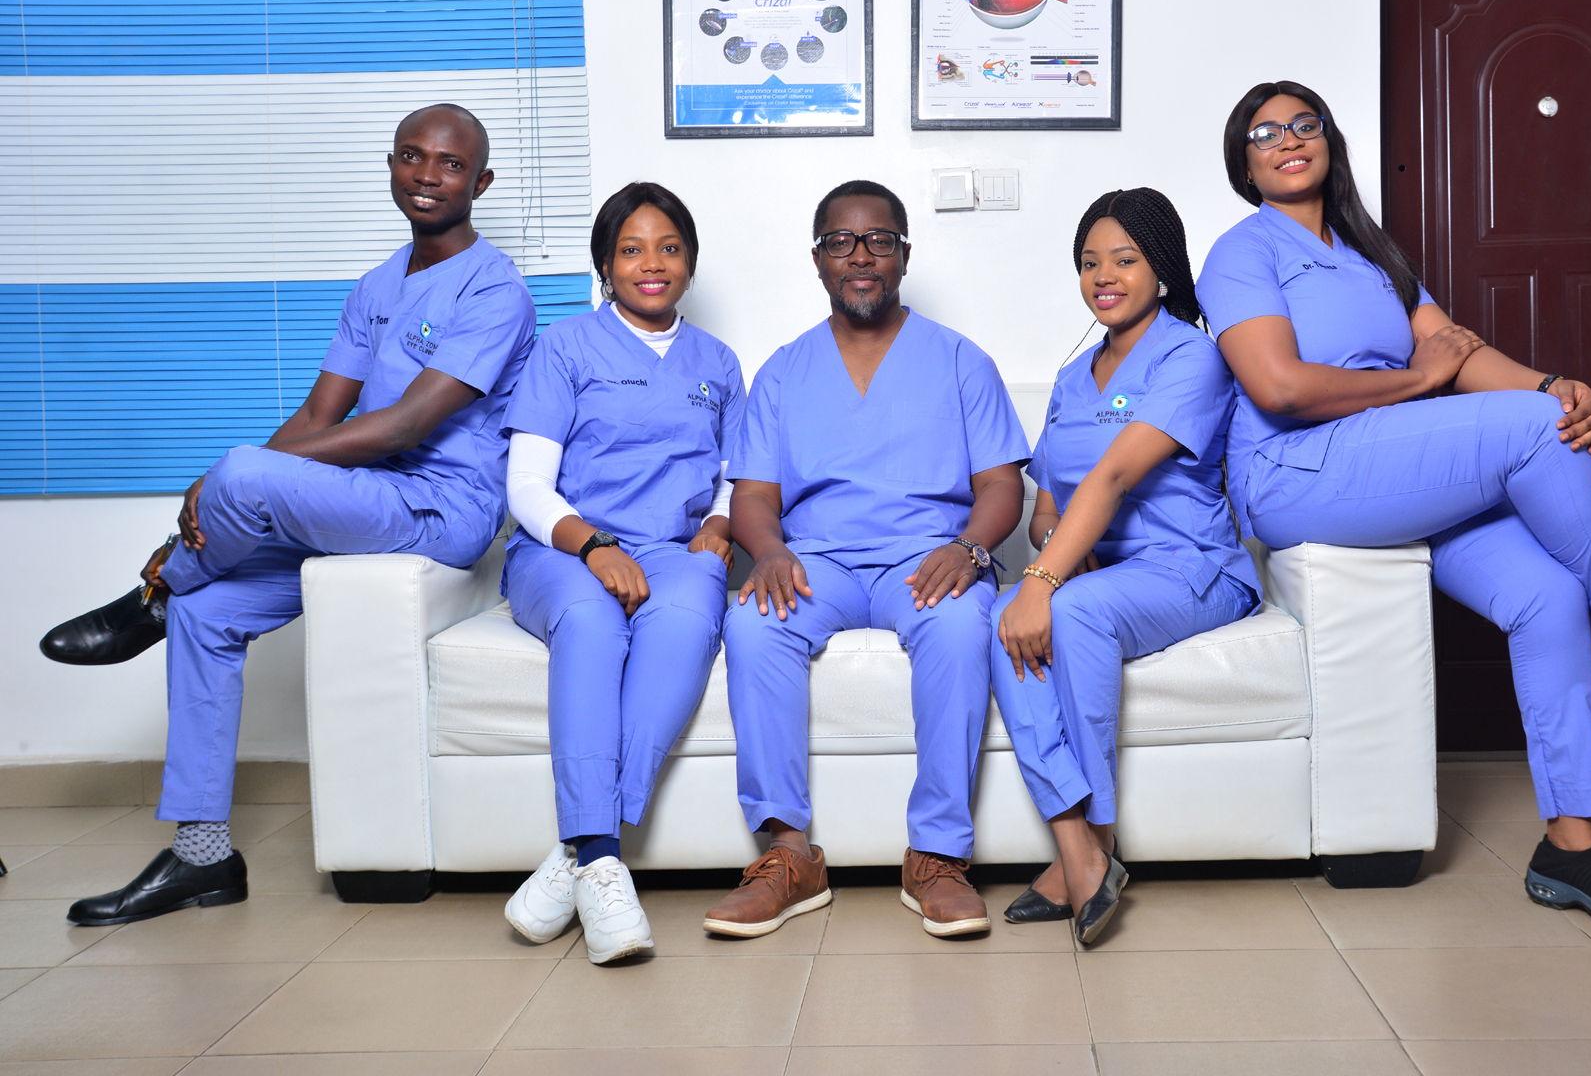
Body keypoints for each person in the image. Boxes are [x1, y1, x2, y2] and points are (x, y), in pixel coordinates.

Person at [1196, 80, 1591, 932]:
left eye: (1303, 124)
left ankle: (1572, 848)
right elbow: (1279, 386)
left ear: (1328, 140)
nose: (1287, 139)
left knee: (1548, 594)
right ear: (1244, 161)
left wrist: (1554, 386)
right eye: (1264, 132)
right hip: (1299, 473)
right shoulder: (1244, 251)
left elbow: (1456, 354)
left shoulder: (1371, 254)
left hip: (1389, 468)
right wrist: (1423, 381)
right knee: (1535, 435)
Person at [41, 104, 538, 926]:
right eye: (412, 157)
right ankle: (202, 857)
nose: (427, 175)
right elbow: (317, 416)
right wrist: (232, 483)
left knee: (238, 478)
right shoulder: (376, 286)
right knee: (209, 610)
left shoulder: (497, 289)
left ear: (479, 183)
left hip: (438, 510)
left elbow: (406, 426)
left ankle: (150, 599)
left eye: (450, 165)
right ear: (390, 166)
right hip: (358, 502)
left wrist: (239, 477)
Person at [701, 180, 1030, 939]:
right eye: (841, 242)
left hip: (928, 560)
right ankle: (788, 856)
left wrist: (970, 547)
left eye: (879, 240)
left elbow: (1000, 487)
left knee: (957, 629)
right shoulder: (784, 371)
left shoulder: (959, 361)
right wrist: (771, 550)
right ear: (817, 258)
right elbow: (752, 496)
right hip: (818, 563)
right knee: (752, 626)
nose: (860, 257)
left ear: (905, 255)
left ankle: (938, 858)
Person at [990, 188, 1262, 946]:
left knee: (1062, 610)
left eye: (1124, 259)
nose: (1103, 276)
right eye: (1088, 262)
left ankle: (1099, 843)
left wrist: (1045, 583)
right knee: (996, 615)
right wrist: (1052, 562)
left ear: (1163, 271)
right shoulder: (1074, 376)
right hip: (1101, 571)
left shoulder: (1193, 357)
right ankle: (1076, 847)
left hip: (1193, 567)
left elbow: (1111, 477)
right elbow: (1050, 504)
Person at [498, 183, 744, 964]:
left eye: (669, 247)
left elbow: (739, 475)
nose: (652, 264)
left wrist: (718, 523)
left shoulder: (718, 362)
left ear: (691, 261)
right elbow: (527, 485)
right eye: (632, 249)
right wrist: (594, 544)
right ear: (605, 264)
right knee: (596, 624)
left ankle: (576, 856)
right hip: (564, 550)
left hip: (675, 553)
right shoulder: (565, 348)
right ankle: (602, 856)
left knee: (687, 621)